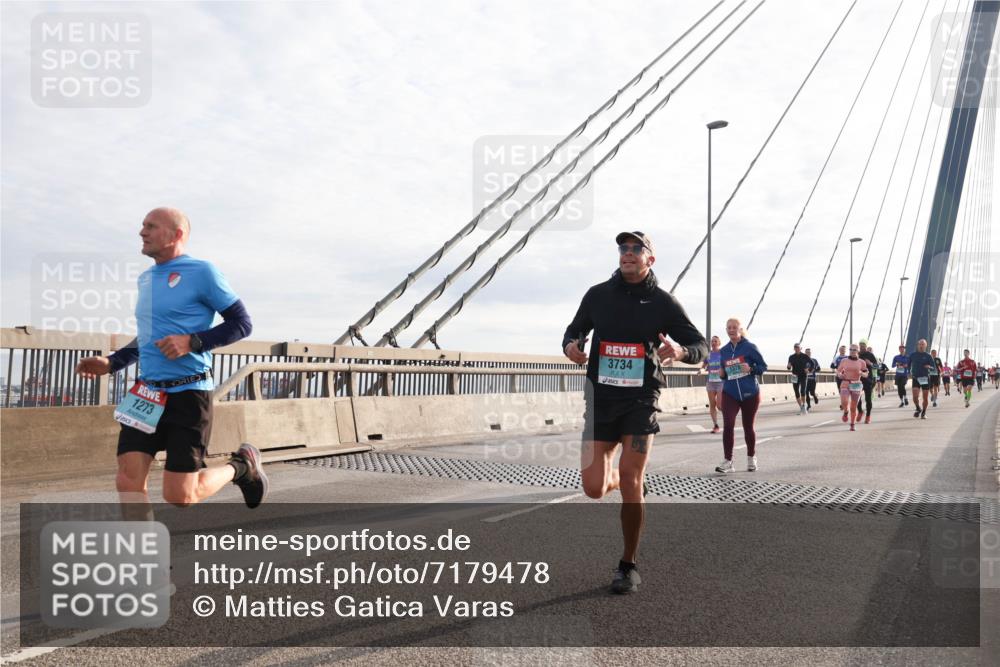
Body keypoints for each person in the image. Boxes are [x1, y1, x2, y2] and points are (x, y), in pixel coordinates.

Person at [75, 207, 266, 514]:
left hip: (188, 394)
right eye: (142, 225)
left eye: (151, 226)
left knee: (181, 495)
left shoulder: (203, 272)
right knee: (128, 481)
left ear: (176, 235)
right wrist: (113, 362)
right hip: (147, 393)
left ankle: (242, 467)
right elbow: (150, 336)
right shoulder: (146, 279)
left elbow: (242, 323)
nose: (142, 231)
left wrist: (193, 341)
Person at [563, 230, 707, 595]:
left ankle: (628, 565)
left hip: (641, 401)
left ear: (649, 259)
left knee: (630, 479)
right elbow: (574, 330)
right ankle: (619, 475)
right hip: (601, 402)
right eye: (623, 248)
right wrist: (571, 347)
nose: (627, 253)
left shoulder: (663, 303)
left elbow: (699, 344)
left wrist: (681, 352)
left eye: (635, 248)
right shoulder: (597, 295)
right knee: (594, 487)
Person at [715, 317, 767, 474]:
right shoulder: (722, 351)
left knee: (748, 426)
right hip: (730, 393)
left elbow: (763, 367)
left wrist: (750, 368)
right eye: (728, 327)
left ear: (740, 329)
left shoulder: (750, 347)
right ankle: (728, 461)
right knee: (728, 425)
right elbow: (724, 375)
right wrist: (722, 373)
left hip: (750, 393)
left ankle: (751, 458)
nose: (731, 330)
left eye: (734, 327)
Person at [836, 344, 869, 431]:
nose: (852, 351)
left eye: (854, 350)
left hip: (856, 384)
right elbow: (838, 371)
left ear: (857, 351)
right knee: (844, 401)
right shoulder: (844, 360)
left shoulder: (862, 362)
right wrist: (840, 375)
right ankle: (846, 412)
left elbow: (866, 374)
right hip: (845, 382)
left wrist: (862, 373)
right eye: (851, 349)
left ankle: (852, 424)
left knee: (853, 407)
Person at [908, 339, 935, 419]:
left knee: (925, 397)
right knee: (915, 397)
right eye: (920, 344)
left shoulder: (928, 356)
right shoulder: (913, 355)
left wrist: (929, 367)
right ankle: (918, 408)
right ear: (917, 345)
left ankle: (923, 412)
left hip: (925, 378)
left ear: (926, 346)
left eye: (923, 344)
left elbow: (933, 368)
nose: (921, 346)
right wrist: (908, 372)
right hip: (915, 378)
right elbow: (908, 364)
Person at [702, 335, 724, 433]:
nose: (713, 343)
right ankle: (716, 425)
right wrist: (701, 370)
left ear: (719, 343)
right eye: (712, 341)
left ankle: (729, 416)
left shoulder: (722, 353)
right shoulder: (708, 354)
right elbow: (704, 366)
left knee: (719, 405)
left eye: (715, 341)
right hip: (710, 382)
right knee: (712, 405)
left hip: (721, 382)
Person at [787, 343, 812, 414]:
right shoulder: (791, 357)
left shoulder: (805, 356)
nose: (796, 349)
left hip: (803, 375)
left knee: (802, 391)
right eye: (795, 347)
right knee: (796, 392)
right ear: (794, 349)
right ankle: (801, 407)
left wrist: (809, 370)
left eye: (798, 347)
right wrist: (788, 366)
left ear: (801, 348)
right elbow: (789, 367)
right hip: (795, 376)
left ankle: (804, 405)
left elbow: (812, 364)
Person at [857, 340, 877, 424]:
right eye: (860, 345)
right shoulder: (856, 354)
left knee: (868, 399)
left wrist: (870, 363)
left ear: (866, 346)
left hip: (868, 380)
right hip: (857, 380)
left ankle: (868, 416)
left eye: (863, 345)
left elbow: (877, 366)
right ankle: (860, 411)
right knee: (857, 398)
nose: (862, 347)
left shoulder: (870, 355)